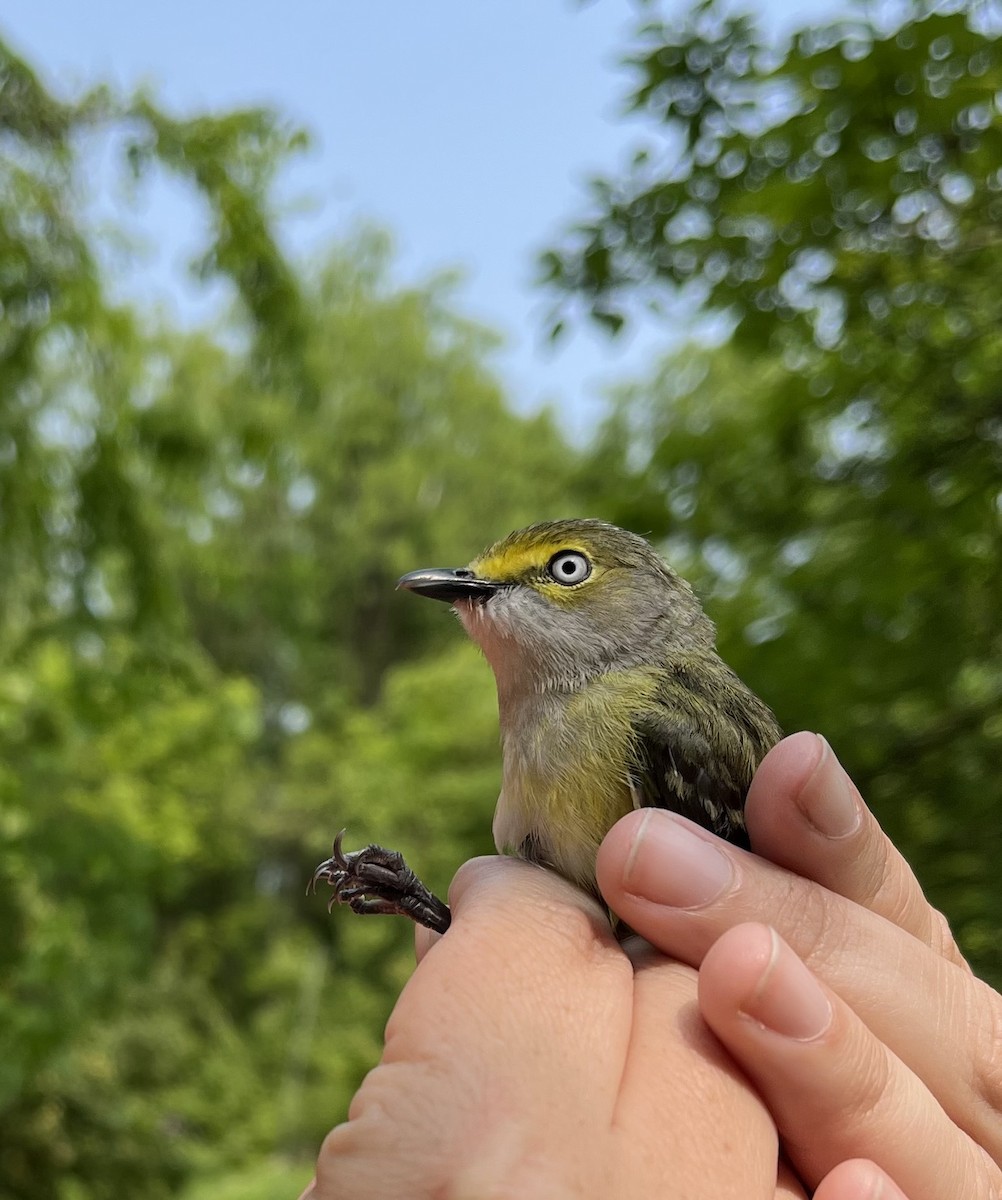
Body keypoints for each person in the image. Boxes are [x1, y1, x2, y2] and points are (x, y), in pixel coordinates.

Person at [297, 733, 1002, 1199]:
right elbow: (579, 960)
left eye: (565, 571)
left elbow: (613, 964)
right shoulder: (537, 740)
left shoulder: (658, 717)